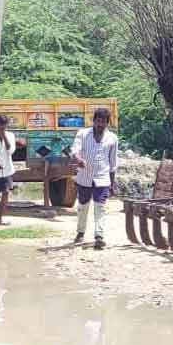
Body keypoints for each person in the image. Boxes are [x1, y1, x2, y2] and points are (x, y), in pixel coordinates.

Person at [71, 107, 118, 250]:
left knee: (100, 207)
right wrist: (78, 159)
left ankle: (99, 236)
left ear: (108, 122)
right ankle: (80, 233)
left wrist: (112, 183)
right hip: (84, 176)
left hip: (103, 177)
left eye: (104, 121)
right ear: (94, 120)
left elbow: (113, 162)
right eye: (98, 121)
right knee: (83, 206)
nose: (100, 124)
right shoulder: (83, 134)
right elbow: (75, 149)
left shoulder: (112, 138)